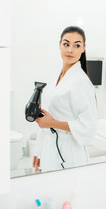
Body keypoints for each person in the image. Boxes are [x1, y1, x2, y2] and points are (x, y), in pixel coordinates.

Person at [33, 26, 98, 172]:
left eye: (77, 45)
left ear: (83, 48)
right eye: (66, 44)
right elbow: (47, 118)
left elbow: (89, 126)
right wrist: (39, 150)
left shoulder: (80, 81)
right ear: (59, 45)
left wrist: (52, 123)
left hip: (69, 151)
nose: (70, 50)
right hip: (51, 148)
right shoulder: (58, 77)